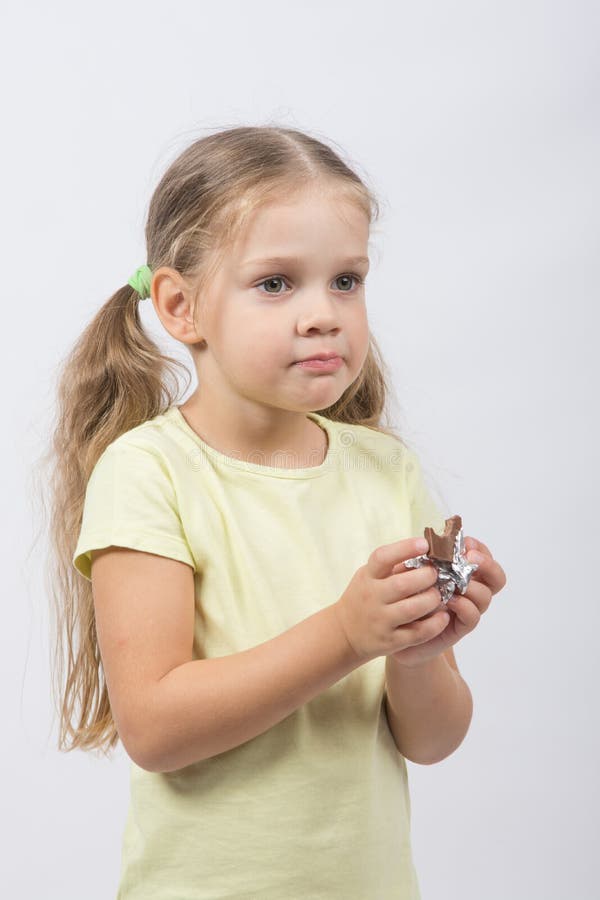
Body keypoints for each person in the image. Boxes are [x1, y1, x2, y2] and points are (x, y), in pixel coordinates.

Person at [45, 125, 507, 899]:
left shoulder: (385, 470)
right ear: (180, 305)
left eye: (346, 281)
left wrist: (418, 650)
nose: (324, 314)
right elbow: (155, 728)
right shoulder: (149, 472)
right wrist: (346, 633)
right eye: (276, 283)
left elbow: (432, 741)